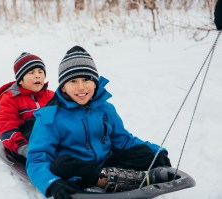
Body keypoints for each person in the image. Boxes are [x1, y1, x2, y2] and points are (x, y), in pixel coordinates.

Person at [26, 46, 171, 199]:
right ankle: (126, 179)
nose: (81, 87)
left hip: (106, 167)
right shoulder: (50, 117)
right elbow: (36, 158)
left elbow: (124, 140)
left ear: (95, 83)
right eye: (73, 81)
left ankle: (115, 180)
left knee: (144, 152)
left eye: (86, 80)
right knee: (61, 165)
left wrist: (157, 152)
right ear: (63, 87)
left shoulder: (105, 109)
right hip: (76, 173)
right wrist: (51, 183)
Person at [0, 52, 54, 158]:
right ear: (20, 80)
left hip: (52, 139)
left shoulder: (52, 96)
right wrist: (22, 147)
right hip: (24, 143)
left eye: (40, 72)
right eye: (31, 72)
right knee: (38, 124)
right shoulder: (11, 98)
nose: (37, 75)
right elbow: (6, 127)